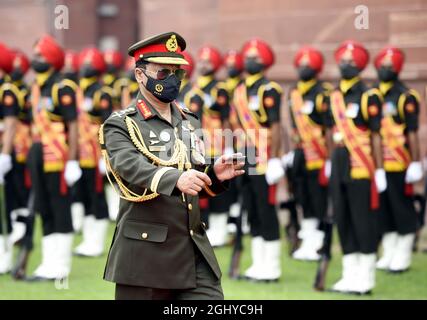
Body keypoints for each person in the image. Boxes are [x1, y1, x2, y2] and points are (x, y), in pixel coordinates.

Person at [101, 31, 244, 300]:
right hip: (146, 253)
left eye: (177, 72)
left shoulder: (189, 119)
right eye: (163, 72)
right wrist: (174, 178)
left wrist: (213, 174)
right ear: (140, 75)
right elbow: (128, 165)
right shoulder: (122, 123)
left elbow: (192, 178)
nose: (172, 79)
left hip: (191, 249)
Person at [328, 40, 386, 294]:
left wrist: (380, 169)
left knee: (363, 222)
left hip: (361, 165)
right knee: (344, 219)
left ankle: (366, 278)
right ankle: (349, 275)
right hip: (340, 162)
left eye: (351, 62)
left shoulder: (369, 95)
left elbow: (376, 135)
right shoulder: (334, 95)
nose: (345, 65)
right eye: (343, 61)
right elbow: (331, 132)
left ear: (361, 66)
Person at [27, 35, 81, 281]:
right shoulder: (38, 88)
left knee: (59, 208)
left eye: (39, 55)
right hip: (38, 152)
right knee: (44, 207)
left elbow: (74, 126)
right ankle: (48, 264)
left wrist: (72, 160)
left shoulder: (63, 86)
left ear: (50, 59)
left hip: (58, 156)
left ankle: (61, 266)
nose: (34, 59)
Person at [233, 38, 284, 282]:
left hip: (265, 156)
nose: (250, 61)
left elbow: (275, 126)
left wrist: (275, 158)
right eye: (248, 57)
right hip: (247, 155)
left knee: (266, 209)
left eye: (255, 58)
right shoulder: (241, 89)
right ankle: (258, 263)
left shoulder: (269, 89)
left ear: (264, 63)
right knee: (251, 209)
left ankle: (271, 266)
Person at [374, 46, 423, 272]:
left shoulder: (405, 96)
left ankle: (403, 254)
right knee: (383, 209)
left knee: (401, 208)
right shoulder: (373, 94)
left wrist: (415, 162)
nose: (384, 70)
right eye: (382, 66)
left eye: (389, 67)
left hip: (400, 163)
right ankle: (389, 251)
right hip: (379, 164)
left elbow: (412, 131)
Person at [285, 46, 332, 261]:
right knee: (302, 197)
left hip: (320, 155)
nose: (304, 68)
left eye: (308, 65)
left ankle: (320, 241)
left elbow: (331, 128)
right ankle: (309, 239)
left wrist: (330, 158)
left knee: (319, 199)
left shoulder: (324, 93)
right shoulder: (294, 92)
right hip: (301, 153)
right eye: (301, 64)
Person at [72, 47, 113, 257]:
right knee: (85, 195)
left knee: (97, 196)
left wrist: (104, 155)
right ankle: (88, 240)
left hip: (96, 152)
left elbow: (108, 124)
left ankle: (97, 242)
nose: (85, 66)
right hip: (80, 153)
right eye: (84, 62)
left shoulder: (102, 92)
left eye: (90, 63)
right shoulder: (80, 90)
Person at [192, 45, 233, 247]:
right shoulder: (194, 89)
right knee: (200, 189)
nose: (203, 64)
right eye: (201, 60)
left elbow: (226, 119)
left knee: (217, 190)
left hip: (217, 147)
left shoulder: (220, 89)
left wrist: (228, 146)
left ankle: (220, 230)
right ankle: (204, 228)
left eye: (207, 61)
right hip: (198, 149)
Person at [0, 42, 17, 274]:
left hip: (3, 153)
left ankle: (5, 256)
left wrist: (4, 155)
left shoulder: (7, 90)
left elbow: (11, 124)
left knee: (4, 209)